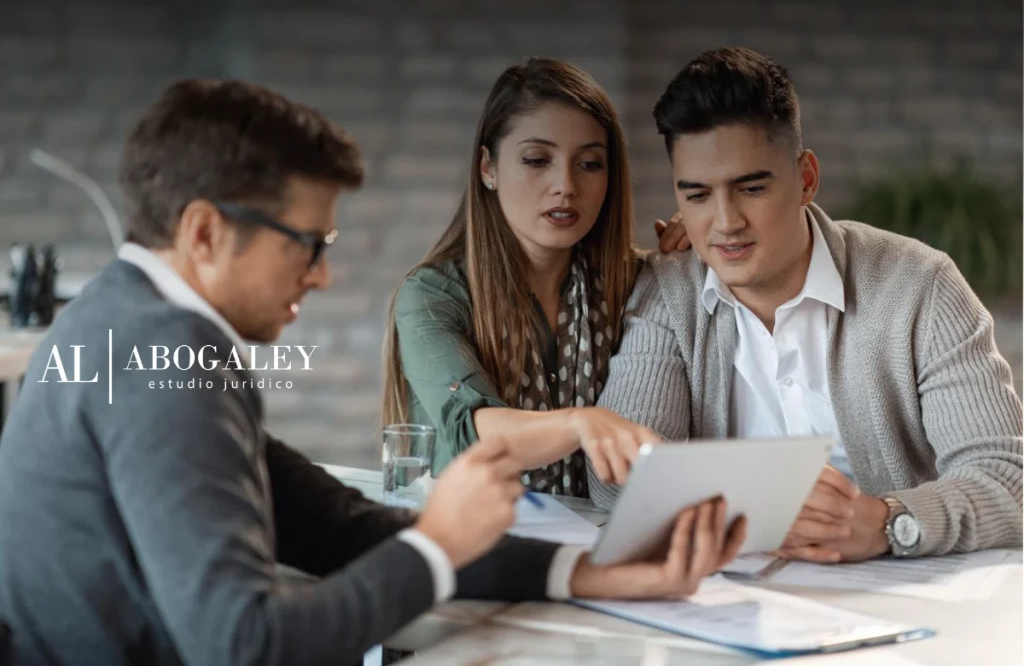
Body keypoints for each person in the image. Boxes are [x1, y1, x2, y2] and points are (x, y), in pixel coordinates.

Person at [0, 79, 747, 666]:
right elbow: (245, 644)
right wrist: (439, 544)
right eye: (307, 242)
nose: (321, 275)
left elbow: (338, 527)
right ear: (204, 232)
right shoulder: (157, 357)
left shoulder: (121, 326)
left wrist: (584, 575)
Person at [588, 46, 1023, 562]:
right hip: (734, 593)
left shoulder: (920, 287)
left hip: (900, 590)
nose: (726, 223)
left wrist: (889, 523)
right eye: (698, 195)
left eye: (751, 188)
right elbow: (618, 484)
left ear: (806, 179)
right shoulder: (669, 290)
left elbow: (1007, 479)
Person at [382, 58, 689, 498]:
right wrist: (580, 423)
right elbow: (477, 432)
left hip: (599, 533)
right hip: (471, 530)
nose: (566, 185)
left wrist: (702, 238)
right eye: (537, 159)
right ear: (487, 167)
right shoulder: (431, 295)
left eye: (590, 164)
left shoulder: (637, 282)